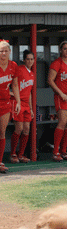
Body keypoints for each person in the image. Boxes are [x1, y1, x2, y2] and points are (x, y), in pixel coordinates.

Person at [10, 50, 34, 164]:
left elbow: (29, 92)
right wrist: (11, 95)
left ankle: (21, 154)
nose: (30, 61)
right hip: (17, 103)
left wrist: (31, 108)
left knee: (26, 129)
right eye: (28, 59)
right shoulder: (19, 69)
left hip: (26, 105)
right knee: (18, 128)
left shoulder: (32, 74)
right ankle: (13, 154)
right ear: (24, 60)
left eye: (32, 59)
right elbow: (10, 84)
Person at [0, 40, 21, 173]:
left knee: (2, 132)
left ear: (10, 52)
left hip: (5, 102)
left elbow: (14, 85)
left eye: (5, 50)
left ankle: (0, 162)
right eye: (1, 51)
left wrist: (18, 101)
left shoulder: (13, 65)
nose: (3, 53)